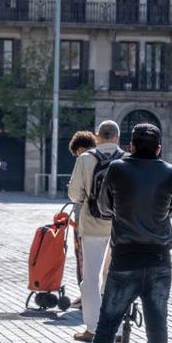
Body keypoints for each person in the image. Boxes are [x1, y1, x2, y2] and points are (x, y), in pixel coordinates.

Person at [53, 124, 172, 343]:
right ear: (158, 148)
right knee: (158, 326)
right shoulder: (171, 173)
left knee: (108, 324)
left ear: (132, 146)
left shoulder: (118, 170)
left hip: (125, 258)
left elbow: (105, 206)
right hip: (160, 260)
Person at [68, 123, 123, 343]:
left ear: (98, 137)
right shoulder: (127, 159)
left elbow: (74, 194)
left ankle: (92, 329)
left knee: (90, 279)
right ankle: (117, 331)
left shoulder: (85, 159)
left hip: (91, 226)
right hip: (120, 228)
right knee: (114, 278)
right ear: (117, 138)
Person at [67, 131, 98, 308]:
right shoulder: (104, 161)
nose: (77, 156)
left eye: (77, 152)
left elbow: (75, 194)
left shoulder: (84, 161)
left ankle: (85, 297)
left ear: (81, 148)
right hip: (104, 221)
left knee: (82, 260)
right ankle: (92, 296)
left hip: (83, 220)